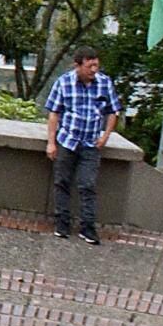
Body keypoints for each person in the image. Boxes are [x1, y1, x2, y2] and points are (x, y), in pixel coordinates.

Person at [43, 48, 123, 244]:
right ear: (78, 65)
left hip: (91, 143)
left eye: (96, 65)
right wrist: (51, 142)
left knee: (87, 184)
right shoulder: (64, 82)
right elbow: (54, 113)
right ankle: (62, 223)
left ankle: (88, 227)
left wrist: (105, 136)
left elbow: (113, 111)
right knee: (62, 182)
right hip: (68, 140)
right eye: (89, 66)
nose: (94, 70)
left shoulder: (104, 83)